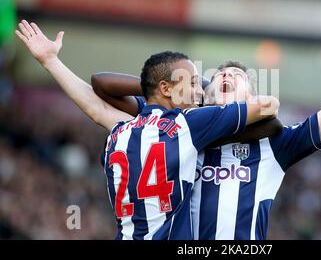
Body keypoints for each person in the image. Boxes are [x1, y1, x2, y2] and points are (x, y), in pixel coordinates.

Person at [90, 0, 321, 239]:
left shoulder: (277, 145)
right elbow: (99, 102)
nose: (226, 77)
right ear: (205, 98)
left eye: (237, 77)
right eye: (218, 77)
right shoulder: (180, 131)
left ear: (250, 98)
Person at [15, 21, 280, 240]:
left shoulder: (124, 129)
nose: (199, 91)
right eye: (194, 84)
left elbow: (97, 108)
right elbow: (269, 109)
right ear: (168, 89)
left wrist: (51, 62)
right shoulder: (186, 125)